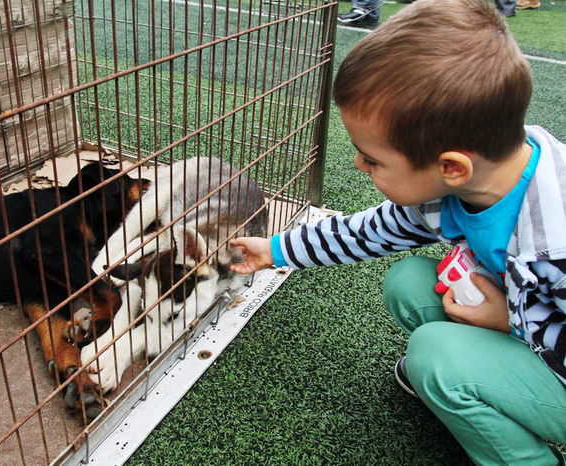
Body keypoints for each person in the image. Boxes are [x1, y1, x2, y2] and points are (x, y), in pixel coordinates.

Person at [231, 0, 566, 463]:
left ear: (451, 166)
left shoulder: (557, 241)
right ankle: (467, 379)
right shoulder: (455, 186)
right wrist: (276, 248)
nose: (358, 164)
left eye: (372, 160)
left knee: (435, 354)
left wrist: (512, 322)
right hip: (525, 322)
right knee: (409, 280)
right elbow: (368, 231)